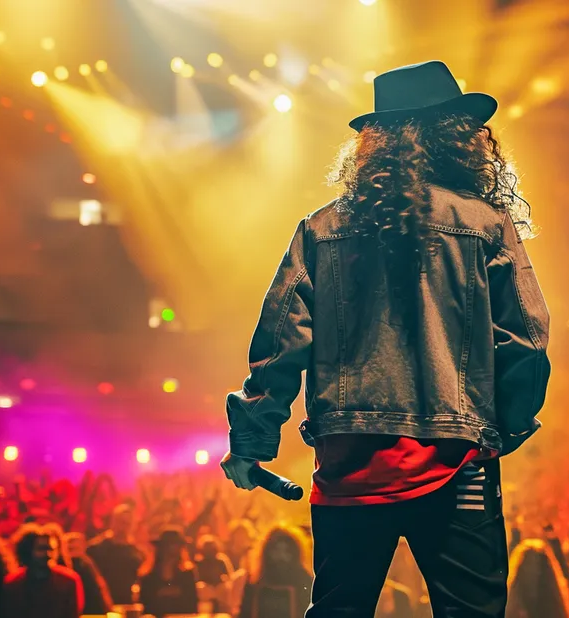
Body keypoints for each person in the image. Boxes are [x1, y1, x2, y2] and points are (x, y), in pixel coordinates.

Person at [221, 59, 550, 617]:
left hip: (350, 464)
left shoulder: (320, 230)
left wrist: (252, 444)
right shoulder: (485, 224)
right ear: (455, 136)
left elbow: (280, 343)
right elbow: (524, 341)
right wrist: (503, 426)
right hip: (457, 461)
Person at [2, 524, 83, 618]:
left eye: (51, 549)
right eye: (41, 549)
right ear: (28, 551)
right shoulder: (13, 583)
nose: (48, 554)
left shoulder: (68, 581)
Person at [239, 524, 312, 618]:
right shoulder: (255, 580)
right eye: (276, 550)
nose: (281, 556)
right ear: (267, 552)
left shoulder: (304, 581)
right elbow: (245, 613)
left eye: (286, 551)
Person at [86, 503, 144, 605]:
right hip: (100, 603)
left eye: (128, 523)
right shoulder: (96, 548)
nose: (124, 527)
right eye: (122, 522)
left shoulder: (136, 552)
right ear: (113, 522)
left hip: (127, 603)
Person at [136, 527, 200, 617]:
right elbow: (145, 605)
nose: (171, 550)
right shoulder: (149, 577)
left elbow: (192, 605)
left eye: (175, 546)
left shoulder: (187, 575)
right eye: (168, 545)